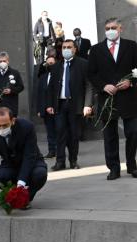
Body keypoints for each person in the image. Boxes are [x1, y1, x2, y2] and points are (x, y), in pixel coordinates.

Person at [88, 17, 137, 180]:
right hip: (107, 98)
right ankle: (113, 168)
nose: (110, 31)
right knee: (110, 135)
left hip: (128, 97)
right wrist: (104, 86)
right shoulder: (96, 49)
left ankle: (132, 166)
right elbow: (91, 73)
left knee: (132, 132)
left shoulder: (131, 46)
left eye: (113, 27)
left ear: (121, 28)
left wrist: (130, 81)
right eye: (107, 28)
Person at [0, 106, 48, 209]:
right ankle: (12, 196)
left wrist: (21, 184)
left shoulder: (27, 127)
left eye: (5, 125)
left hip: (32, 162)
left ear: (13, 121)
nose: (1, 129)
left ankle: (25, 198)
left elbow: (29, 156)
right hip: (10, 164)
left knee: (40, 174)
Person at [47, 39, 94, 170]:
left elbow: (89, 85)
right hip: (60, 104)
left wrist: (88, 105)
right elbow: (51, 87)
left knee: (74, 135)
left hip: (76, 104)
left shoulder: (83, 64)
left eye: (69, 47)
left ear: (75, 49)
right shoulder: (56, 66)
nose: (66, 49)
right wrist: (49, 104)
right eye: (64, 47)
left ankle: (73, 161)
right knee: (60, 133)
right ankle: (60, 162)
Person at [0, 52, 24, 117]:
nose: (2, 63)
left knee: (12, 126)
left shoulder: (15, 73)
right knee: (0, 126)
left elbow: (21, 87)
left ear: (8, 61)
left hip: (11, 107)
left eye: (4, 61)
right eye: (0, 61)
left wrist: (11, 90)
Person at [37, 55, 57, 158]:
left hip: (57, 109)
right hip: (46, 110)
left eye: (52, 63)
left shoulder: (60, 75)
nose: (50, 65)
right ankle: (51, 151)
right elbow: (39, 94)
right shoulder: (42, 78)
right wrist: (39, 109)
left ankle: (60, 150)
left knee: (59, 130)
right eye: (48, 63)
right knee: (50, 132)